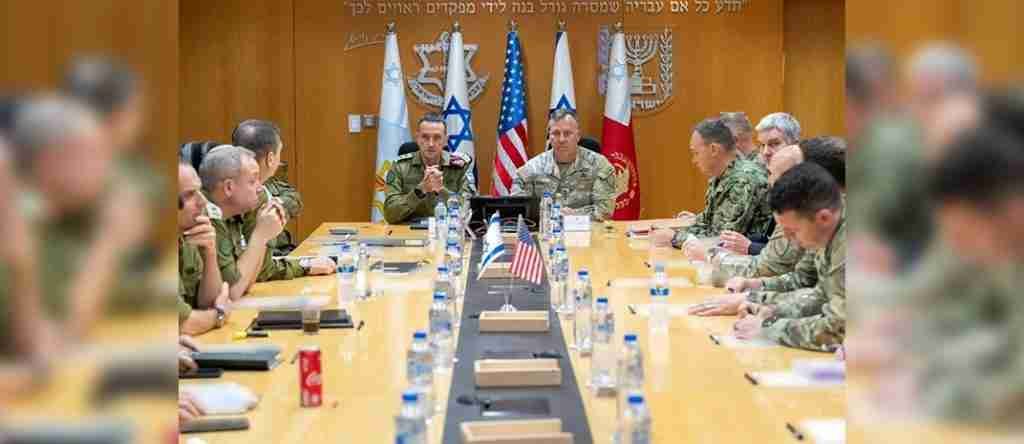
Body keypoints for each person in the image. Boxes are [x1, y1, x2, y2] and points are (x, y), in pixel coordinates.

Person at [725, 163, 846, 352]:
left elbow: (837, 330)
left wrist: (768, 328)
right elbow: (822, 296)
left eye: (793, 231)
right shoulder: (828, 230)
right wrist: (775, 310)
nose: (789, 240)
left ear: (824, 218)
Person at [199, 145, 333, 300]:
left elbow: (248, 281)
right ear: (229, 187)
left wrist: (263, 234)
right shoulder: (205, 217)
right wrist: (260, 236)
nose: (260, 188)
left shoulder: (231, 217)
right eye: (252, 181)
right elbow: (233, 291)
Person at [652, 117, 772, 258]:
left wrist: (675, 237)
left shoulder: (743, 179)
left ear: (714, 149)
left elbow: (721, 240)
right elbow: (707, 223)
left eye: (696, 153)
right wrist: (672, 231)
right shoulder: (720, 175)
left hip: (745, 262)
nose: (694, 160)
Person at [511, 109, 616, 221]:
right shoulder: (533, 168)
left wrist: (575, 216)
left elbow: (605, 210)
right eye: (556, 133)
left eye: (567, 133)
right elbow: (519, 207)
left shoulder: (599, 165)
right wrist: (552, 214)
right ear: (549, 137)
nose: (561, 139)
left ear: (578, 136)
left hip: (586, 230)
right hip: (545, 229)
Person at [383, 113, 476, 223]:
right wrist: (420, 190)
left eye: (437, 137)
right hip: (408, 230)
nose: (431, 144)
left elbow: (468, 212)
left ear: (445, 140)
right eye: (425, 137)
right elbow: (390, 214)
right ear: (417, 138)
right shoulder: (400, 167)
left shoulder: (460, 166)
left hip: (448, 229)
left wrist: (441, 190)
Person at [231, 119, 302, 256]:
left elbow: (293, 197)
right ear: (270, 158)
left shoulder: (258, 184)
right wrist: (305, 265)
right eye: (279, 153)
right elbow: (261, 263)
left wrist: (277, 204)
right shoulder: (250, 195)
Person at [178, 161, 231, 336]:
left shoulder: (189, 235)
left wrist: (210, 253)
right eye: (190, 194)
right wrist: (219, 315)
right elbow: (182, 324)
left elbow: (209, 302)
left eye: (199, 191)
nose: (203, 202)